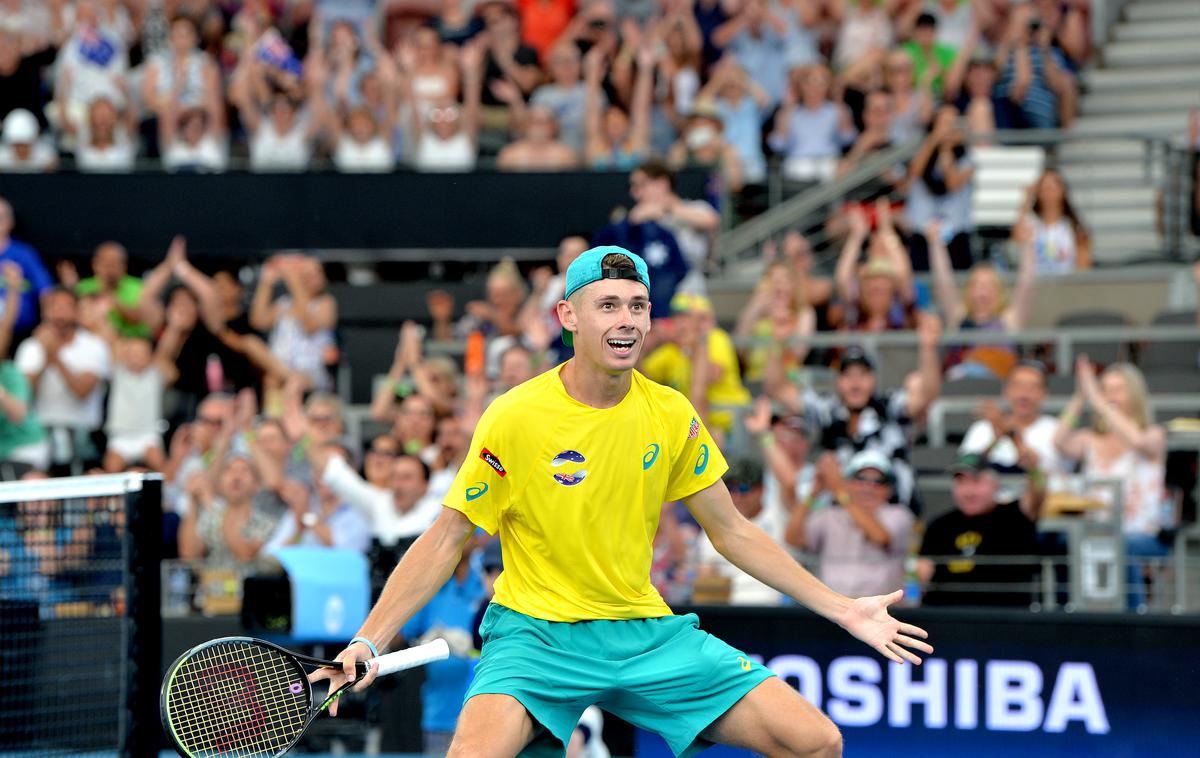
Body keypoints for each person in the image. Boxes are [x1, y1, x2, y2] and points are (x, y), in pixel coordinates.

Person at [312, 245, 931, 757]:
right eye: (607, 305)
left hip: (644, 632)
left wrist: (842, 609)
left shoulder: (669, 413)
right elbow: (447, 537)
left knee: (817, 742)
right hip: (537, 637)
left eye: (637, 306)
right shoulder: (515, 417)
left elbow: (732, 531)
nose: (627, 320)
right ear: (568, 316)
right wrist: (369, 639)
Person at [765, 318, 943, 512]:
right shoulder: (828, 411)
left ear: (873, 379)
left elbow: (928, 394)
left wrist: (928, 347)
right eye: (848, 375)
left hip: (892, 514)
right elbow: (777, 388)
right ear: (838, 382)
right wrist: (777, 344)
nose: (855, 382)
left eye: (862, 374)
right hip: (843, 518)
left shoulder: (890, 407)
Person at [1053, 358, 1171, 609]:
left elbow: (1138, 442)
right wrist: (1079, 397)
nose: (1110, 396)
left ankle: (1135, 618)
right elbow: (1059, 441)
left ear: (1135, 394)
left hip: (1142, 533)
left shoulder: (1153, 434)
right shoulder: (1089, 438)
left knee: (1119, 545)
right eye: (1105, 389)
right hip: (1093, 531)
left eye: (1118, 389)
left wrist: (1098, 400)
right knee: (1062, 540)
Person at [918, 453, 1046, 607]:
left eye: (976, 481)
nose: (968, 491)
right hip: (949, 617)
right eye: (961, 482)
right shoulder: (939, 526)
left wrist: (1034, 470)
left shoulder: (1014, 515)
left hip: (1006, 617)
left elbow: (1038, 494)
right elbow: (921, 575)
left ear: (995, 484)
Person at [785, 451, 914, 598]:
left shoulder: (899, 514)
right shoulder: (830, 514)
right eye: (861, 478)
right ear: (848, 482)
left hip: (881, 610)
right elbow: (793, 539)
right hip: (833, 608)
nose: (868, 486)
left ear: (889, 489)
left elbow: (879, 536)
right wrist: (813, 493)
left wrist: (839, 491)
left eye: (879, 481)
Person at [927, 215, 1036, 381]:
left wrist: (1028, 244)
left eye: (988, 286)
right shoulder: (960, 317)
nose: (982, 292)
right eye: (976, 285)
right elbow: (944, 283)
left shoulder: (1009, 320)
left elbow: (1026, 285)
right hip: (961, 388)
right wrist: (935, 243)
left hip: (997, 389)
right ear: (968, 290)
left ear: (999, 291)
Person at [14, 288, 112, 468]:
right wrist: (44, 358)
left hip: (84, 434)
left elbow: (82, 391)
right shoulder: (30, 347)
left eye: (64, 306)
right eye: (53, 306)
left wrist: (54, 357)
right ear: (44, 312)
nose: (58, 313)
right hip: (41, 434)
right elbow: (23, 396)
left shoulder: (94, 346)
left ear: (76, 311)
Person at [641, 293, 751, 436]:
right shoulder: (672, 349)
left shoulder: (716, 337)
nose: (680, 323)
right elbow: (643, 379)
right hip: (697, 424)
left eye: (686, 317)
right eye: (677, 317)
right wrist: (646, 343)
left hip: (733, 422)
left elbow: (714, 375)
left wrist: (691, 350)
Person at [693, 458, 786, 605]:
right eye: (731, 488)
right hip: (731, 611)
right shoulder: (714, 526)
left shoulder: (780, 516)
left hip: (776, 608)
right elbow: (706, 579)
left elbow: (791, 483)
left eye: (744, 488)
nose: (737, 496)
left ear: (762, 489)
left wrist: (765, 438)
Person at [626, 160, 720, 296]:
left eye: (640, 185)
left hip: (688, 287)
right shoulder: (641, 216)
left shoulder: (694, 207)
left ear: (662, 183)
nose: (635, 193)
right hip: (653, 286)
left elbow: (712, 220)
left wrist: (667, 209)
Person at [250, 252, 338, 392]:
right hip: (279, 368)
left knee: (289, 382)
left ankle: (287, 381)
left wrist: (293, 282)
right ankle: (273, 413)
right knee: (252, 345)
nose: (312, 279)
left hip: (311, 372)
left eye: (316, 273)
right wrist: (266, 281)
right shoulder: (284, 303)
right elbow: (258, 321)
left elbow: (310, 326)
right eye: (306, 275)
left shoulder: (326, 303)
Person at [961, 361, 1065, 476]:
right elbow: (966, 470)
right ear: (1006, 390)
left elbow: (1041, 473)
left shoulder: (1057, 430)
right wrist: (995, 440)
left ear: (1045, 393)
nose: (1024, 395)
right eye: (1017, 386)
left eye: (1033, 387)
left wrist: (1008, 432)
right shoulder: (982, 428)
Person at [1019, 168, 1092, 274]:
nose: (1049, 193)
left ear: (1063, 191)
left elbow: (1083, 268)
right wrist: (1026, 200)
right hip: (1036, 287)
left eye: (1053, 188)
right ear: (1037, 192)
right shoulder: (1031, 224)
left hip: (1066, 288)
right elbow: (1017, 238)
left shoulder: (1075, 228)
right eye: (1044, 188)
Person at [0, 197, 54, 338]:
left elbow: (46, 290)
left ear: (10, 222)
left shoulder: (24, 254)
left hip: (21, 332)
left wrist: (49, 323)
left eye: (0, 218)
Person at [0, 108, 58, 172]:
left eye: (24, 145)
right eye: (18, 145)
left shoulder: (46, 155)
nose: (21, 149)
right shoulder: (2, 156)